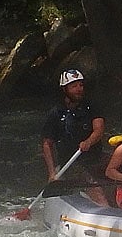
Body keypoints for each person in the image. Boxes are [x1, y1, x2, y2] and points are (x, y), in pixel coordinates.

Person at [41, 68, 108, 205]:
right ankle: (104, 207)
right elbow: (47, 144)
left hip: (95, 157)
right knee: (96, 191)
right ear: (64, 89)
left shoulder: (91, 106)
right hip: (72, 163)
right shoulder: (56, 113)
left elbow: (99, 130)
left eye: (81, 85)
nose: (79, 89)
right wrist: (52, 173)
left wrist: (88, 141)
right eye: (74, 86)